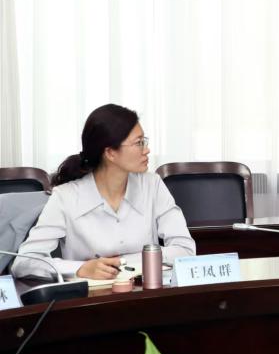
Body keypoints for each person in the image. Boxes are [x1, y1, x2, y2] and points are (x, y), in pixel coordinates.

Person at [12, 104, 196, 280]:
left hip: (145, 294)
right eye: (139, 143)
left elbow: (185, 249)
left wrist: (126, 262)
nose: (146, 150)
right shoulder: (65, 196)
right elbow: (25, 263)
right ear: (110, 153)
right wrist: (80, 269)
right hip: (91, 298)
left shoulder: (152, 185)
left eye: (144, 141)